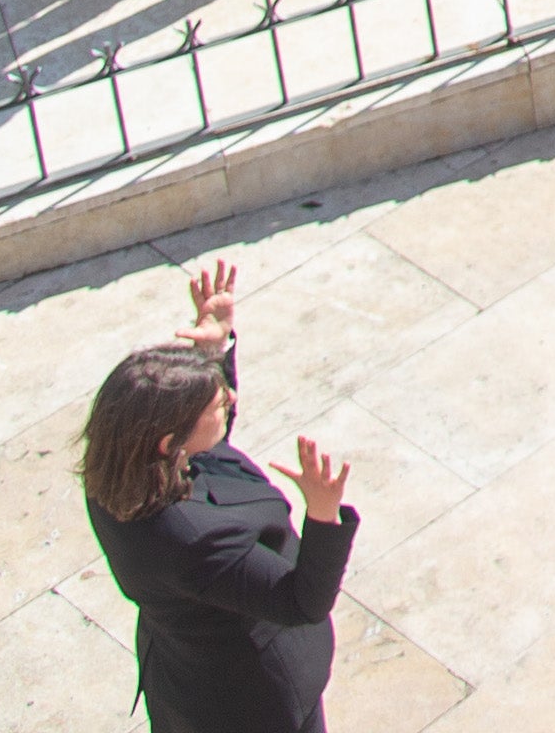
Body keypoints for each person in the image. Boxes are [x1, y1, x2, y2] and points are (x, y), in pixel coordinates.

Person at [82, 259, 360, 733]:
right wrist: (322, 515)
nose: (230, 400)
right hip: (252, 702)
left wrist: (211, 356)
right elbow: (301, 601)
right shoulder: (193, 539)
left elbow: (210, 446)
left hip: (186, 679)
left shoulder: (117, 473)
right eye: (216, 402)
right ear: (169, 443)